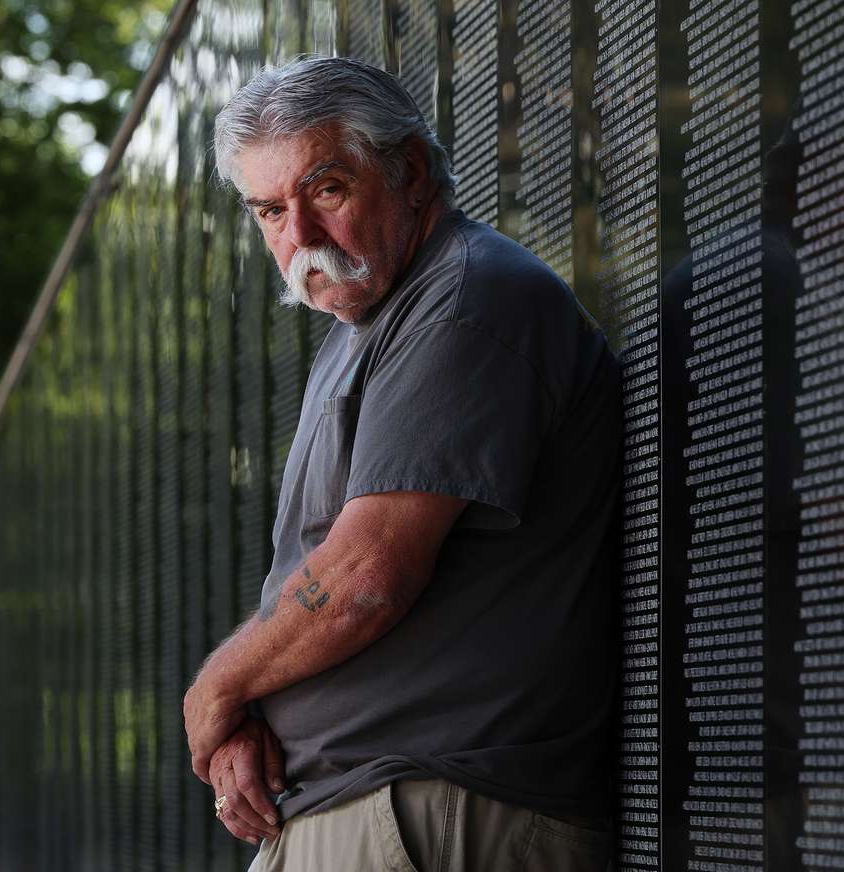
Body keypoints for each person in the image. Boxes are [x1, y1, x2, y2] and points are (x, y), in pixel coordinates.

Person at [181, 56, 622, 871]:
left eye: (326, 191)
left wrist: (215, 692)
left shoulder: (463, 300)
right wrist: (251, 717)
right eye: (270, 211)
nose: (298, 237)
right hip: (366, 808)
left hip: (429, 814)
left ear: (410, 171)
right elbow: (316, 587)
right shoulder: (372, 323)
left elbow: (362, 579)